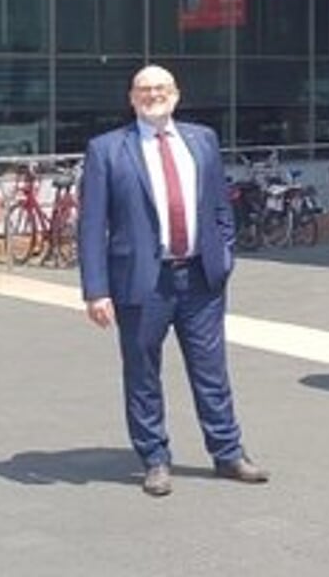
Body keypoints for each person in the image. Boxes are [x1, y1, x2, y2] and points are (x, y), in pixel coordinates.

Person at [77, 65, 269, 497]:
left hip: (200, 278)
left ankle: (228, 453)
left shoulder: (202, 141)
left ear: (176, 95)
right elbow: (92, 225)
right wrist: (96, 289)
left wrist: (224, 255)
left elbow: (220, 204)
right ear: (131, 98)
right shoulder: (107, 150)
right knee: (143, 373)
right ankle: (155, 459)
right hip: (141, 282)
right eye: (144, 90)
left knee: (212, 371)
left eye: (161, 88)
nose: (153, 95)